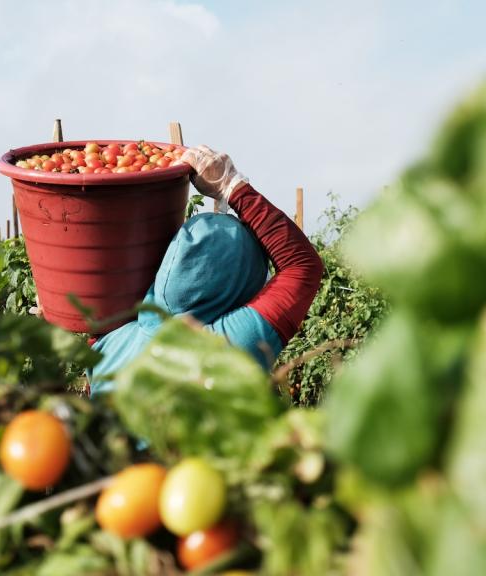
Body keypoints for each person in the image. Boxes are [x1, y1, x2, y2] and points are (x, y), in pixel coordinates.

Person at [86, 145, 324, 395]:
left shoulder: (109, 345)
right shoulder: (227, 350)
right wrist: (231, 186)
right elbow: (302, 267)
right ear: (239, 285)